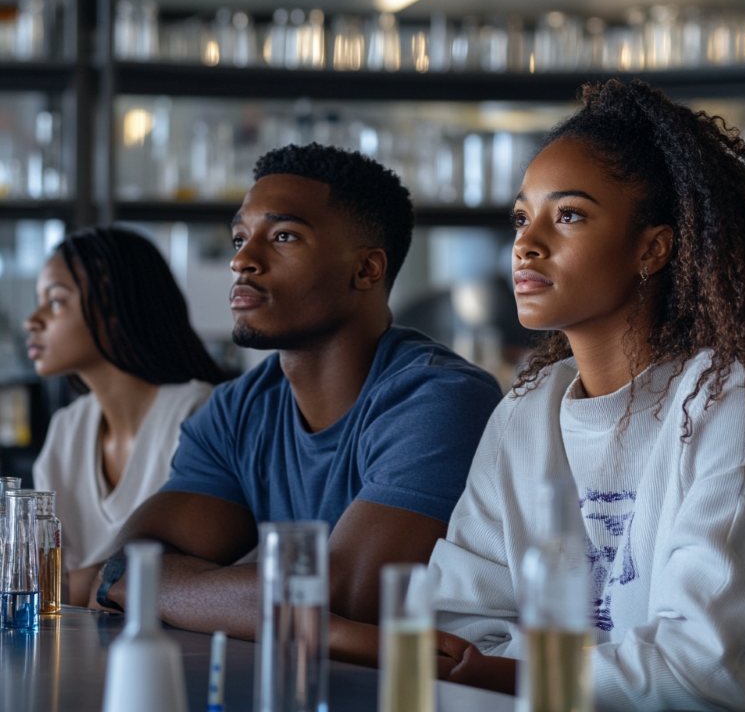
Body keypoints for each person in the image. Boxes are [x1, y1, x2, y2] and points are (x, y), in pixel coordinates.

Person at [429, 79, 745, 711]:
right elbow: (455, 625)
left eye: (568, 215)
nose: (527, 242)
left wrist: (509, 669)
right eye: (523, 217)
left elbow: (701, 673)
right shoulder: (527, 408)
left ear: (652, 247)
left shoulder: (729, 404)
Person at [90, 144, 503, 647]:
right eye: (240, 237)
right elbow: (128, 562)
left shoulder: (437, 400)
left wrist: (142, 588)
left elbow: (342, 596)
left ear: (367, 270)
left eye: (283, 236)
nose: (242, 260)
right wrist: (127, 581)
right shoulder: (237, 409)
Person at [29, 226, 224, 606]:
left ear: (113, 307)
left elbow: (179, 576)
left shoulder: (197, 413)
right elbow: (41, 578)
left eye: (55, 302)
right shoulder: (67, 427)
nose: (32, 321)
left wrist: (83, 583)